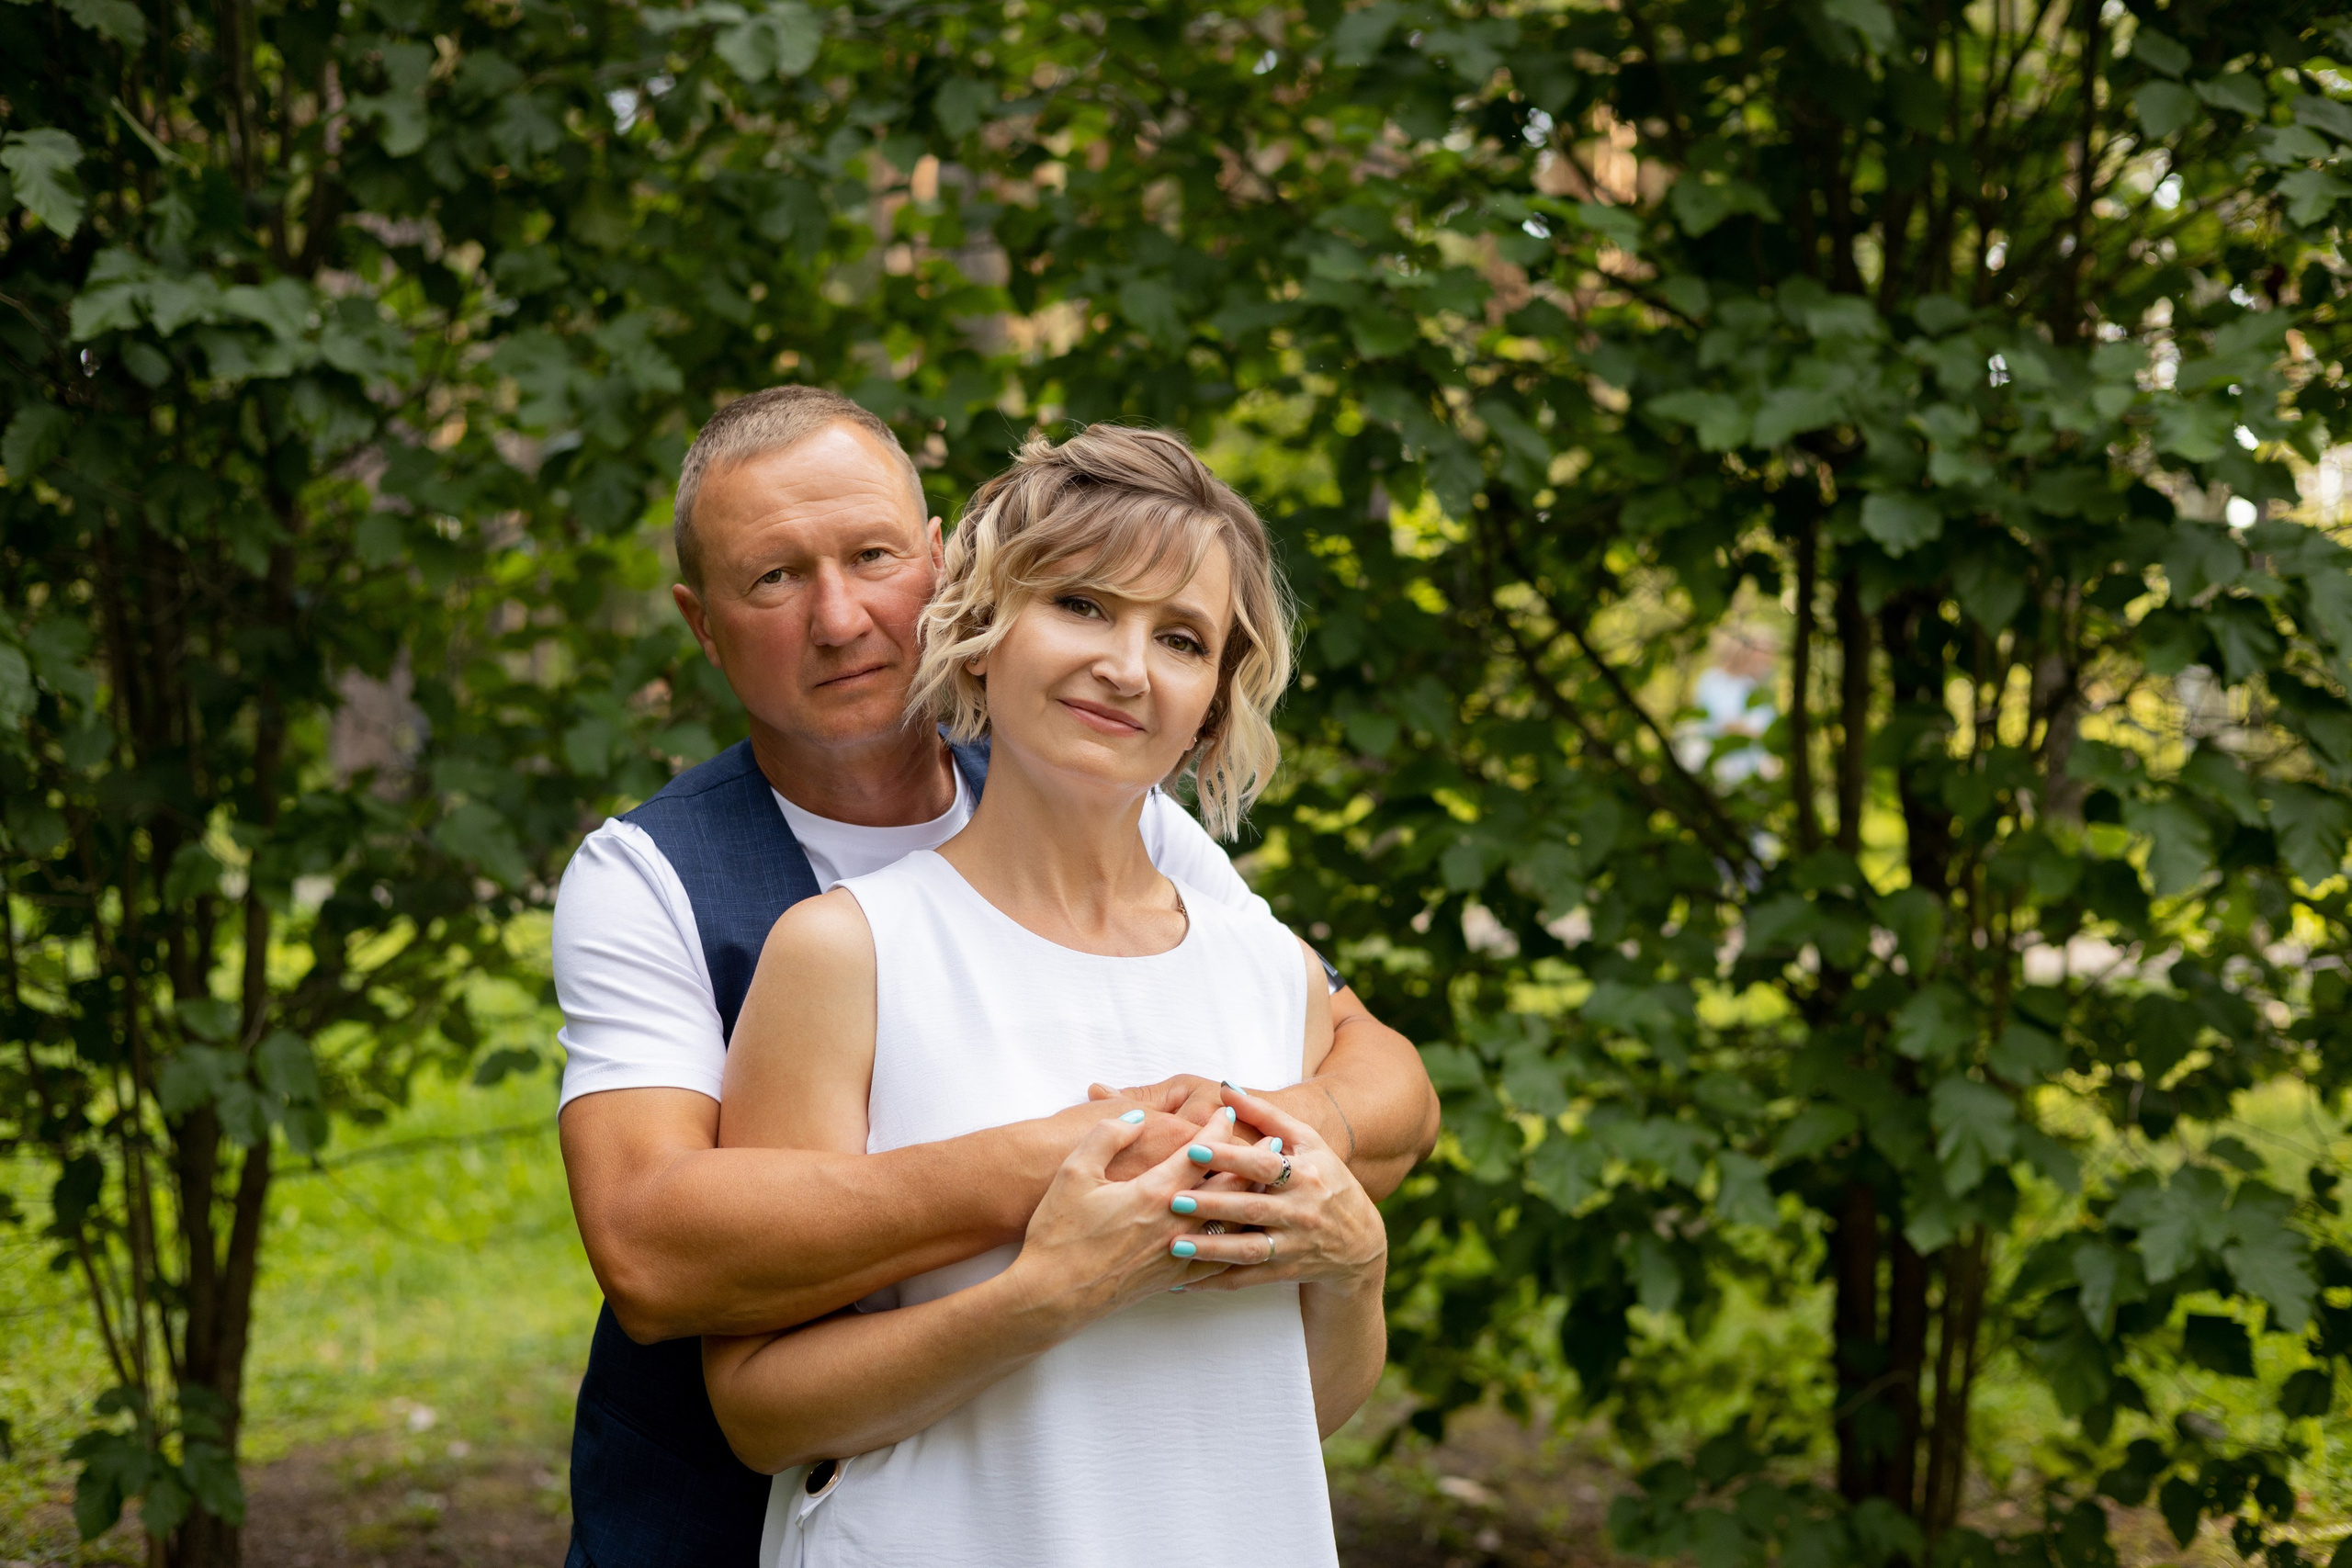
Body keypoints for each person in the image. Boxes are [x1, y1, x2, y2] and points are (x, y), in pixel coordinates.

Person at [552, 387, 1440, 1566]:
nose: (838, 617)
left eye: (872, 557)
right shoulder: (671, 886)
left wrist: (1277, 1157)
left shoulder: (1145, 835)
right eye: (772, 579)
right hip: (761, 1516)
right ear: (702, 623)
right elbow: (656, 1252)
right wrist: (1100, 1163)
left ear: (939, 570)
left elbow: (1381, 1090)